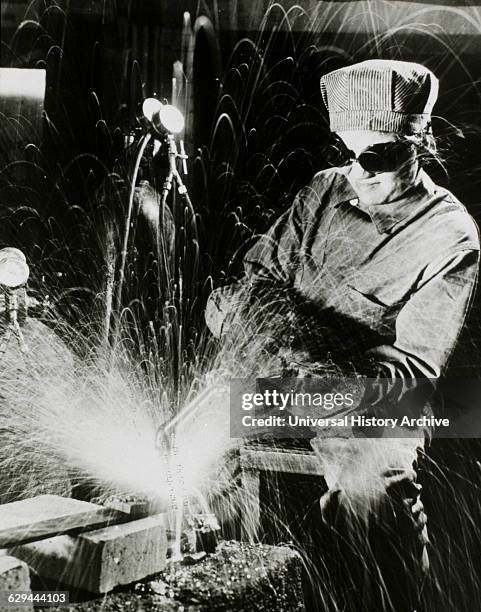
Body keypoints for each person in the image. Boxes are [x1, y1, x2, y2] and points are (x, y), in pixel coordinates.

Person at [205, 59, 480, 611]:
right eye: (345, 152)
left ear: (417, 141)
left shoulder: (451, 236)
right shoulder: (326, 190)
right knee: (192, 453)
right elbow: (257, 280)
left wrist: (303, 346)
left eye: (376, 155)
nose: (358, 170)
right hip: (282, 390)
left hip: (365, 405)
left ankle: (385, 597)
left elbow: (410, 381)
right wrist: (245, 318)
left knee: (369, 486)